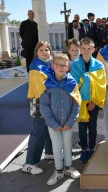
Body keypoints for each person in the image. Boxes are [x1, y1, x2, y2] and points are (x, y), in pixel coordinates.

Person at [40, 53, 81, 185]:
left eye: (64, 65)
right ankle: (58, 171)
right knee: (57, 146)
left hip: (67, 123)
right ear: (53, 66)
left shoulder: (72, 83)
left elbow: (76, 104)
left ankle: (68, 167)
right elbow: (44, 106)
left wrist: (70, 122)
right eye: (58, 65)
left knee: (68, 145)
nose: (61, 67)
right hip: (54, 123)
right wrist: (52, 123)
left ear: (68, 67)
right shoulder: (47, 84)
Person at [70, 38, 106, 163]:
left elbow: (101, 85)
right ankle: (84, 149)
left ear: (93, 49)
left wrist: (94, 102)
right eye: (83, 48)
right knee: (81, 126)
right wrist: (88, 78)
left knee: (92, 126)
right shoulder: (74, 65)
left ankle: (91, 148)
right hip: (79, 101)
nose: (86, 51)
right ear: (80, 49)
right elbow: (73, 83)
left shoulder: (98, 65)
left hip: (93, 102)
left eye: (89, 48)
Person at [22, 41, 54, 175]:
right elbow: (41, 87)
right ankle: (29, 163)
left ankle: (49, 152)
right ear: (37, 52)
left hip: (49, 100)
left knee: (48, 128)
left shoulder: (48, 64)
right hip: (39, 100)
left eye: (47, 49)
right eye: (41, 50)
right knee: (38, 131)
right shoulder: (36, 66)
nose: (44, 52)